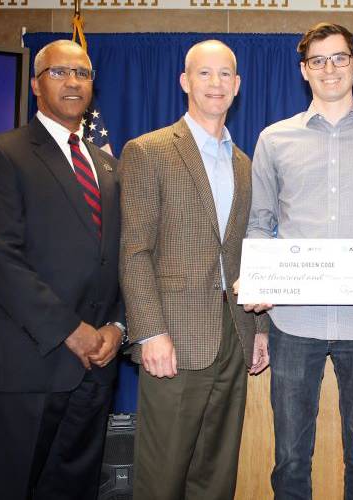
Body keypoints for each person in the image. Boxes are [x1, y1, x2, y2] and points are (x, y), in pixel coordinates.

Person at [244, 22, 353, 500]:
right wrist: (257, 278)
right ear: (304, 71)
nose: (330, 69)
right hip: (292, 324)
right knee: (290, 459)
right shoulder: (273, 140)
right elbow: (260, 221)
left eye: (339, 57)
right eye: (318, 60)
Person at [0, 39, 124, 499]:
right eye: (60, 72)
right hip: (30, 366)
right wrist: (71, 331)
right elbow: (0, 260)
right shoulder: (0, 153)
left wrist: (117, 326)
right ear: (37, 85)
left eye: (83, 73)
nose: (74, 82)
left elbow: (117, 257)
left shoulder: (108, 166)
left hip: (97, 368)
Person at [119, 40, 269, 500]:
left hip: (234, 334)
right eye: (204, 73)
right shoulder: (150, 151)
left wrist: (259, 328)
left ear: (238, 85)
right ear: (185, 81)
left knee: (216, 473)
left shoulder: (245, 164)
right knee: (162, 476)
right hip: (174, 338)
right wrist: (150, 332)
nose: (215, 83)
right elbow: (134, 249)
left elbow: (250, 251)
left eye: (225, 74)